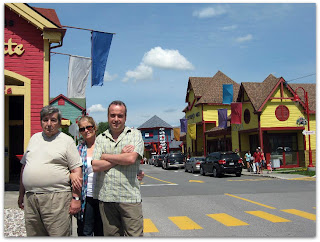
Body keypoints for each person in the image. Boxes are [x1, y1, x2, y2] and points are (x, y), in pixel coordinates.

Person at [70, 116, 145, 236]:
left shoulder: (105, 144)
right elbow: (74, 170)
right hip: (86, 196)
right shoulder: (77, 149)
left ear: (95, 128)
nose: (86, 131)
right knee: (85, 231)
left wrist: (136, 171)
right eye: (82, 129)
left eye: (89, 127)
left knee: (103, 232)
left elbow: (125, 163)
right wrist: (71, 177)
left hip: (103, 195)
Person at [18, 105, 82, 236]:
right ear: (41, 121)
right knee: (34, 236)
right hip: (31, 198)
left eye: (53, 120)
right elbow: (24, 167)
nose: (49, 124)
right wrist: (21, 194)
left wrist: (76, 198)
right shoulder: (34, 138)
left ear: (59, 122)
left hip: (57, 199)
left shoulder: (67, 141)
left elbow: (77, 171)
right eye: (45, 120)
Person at [92, 100, 144, 236]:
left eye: (120, 116)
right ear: (108, 117)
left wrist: (106, 156)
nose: (116, 119)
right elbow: (96, 166)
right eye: (112, 115)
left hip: (130, 198)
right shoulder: (100, 138)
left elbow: (131, 159)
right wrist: (121, 156)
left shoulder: (135, 134)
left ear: (125, 117)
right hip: (107, 199)